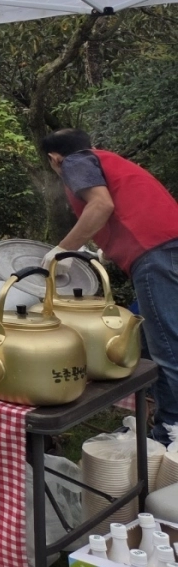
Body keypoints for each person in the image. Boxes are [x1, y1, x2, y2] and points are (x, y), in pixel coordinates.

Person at [43, 129, 178, 444]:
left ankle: (174, 431)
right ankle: (163, 428)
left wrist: (63, 250)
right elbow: (121, 206)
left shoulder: (75, 163)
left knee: (168, 348)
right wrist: (104, 247)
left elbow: (100, 206)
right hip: (166, 248)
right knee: (151, 344)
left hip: (156, 253)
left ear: (54, 158)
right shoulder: (103, 158)